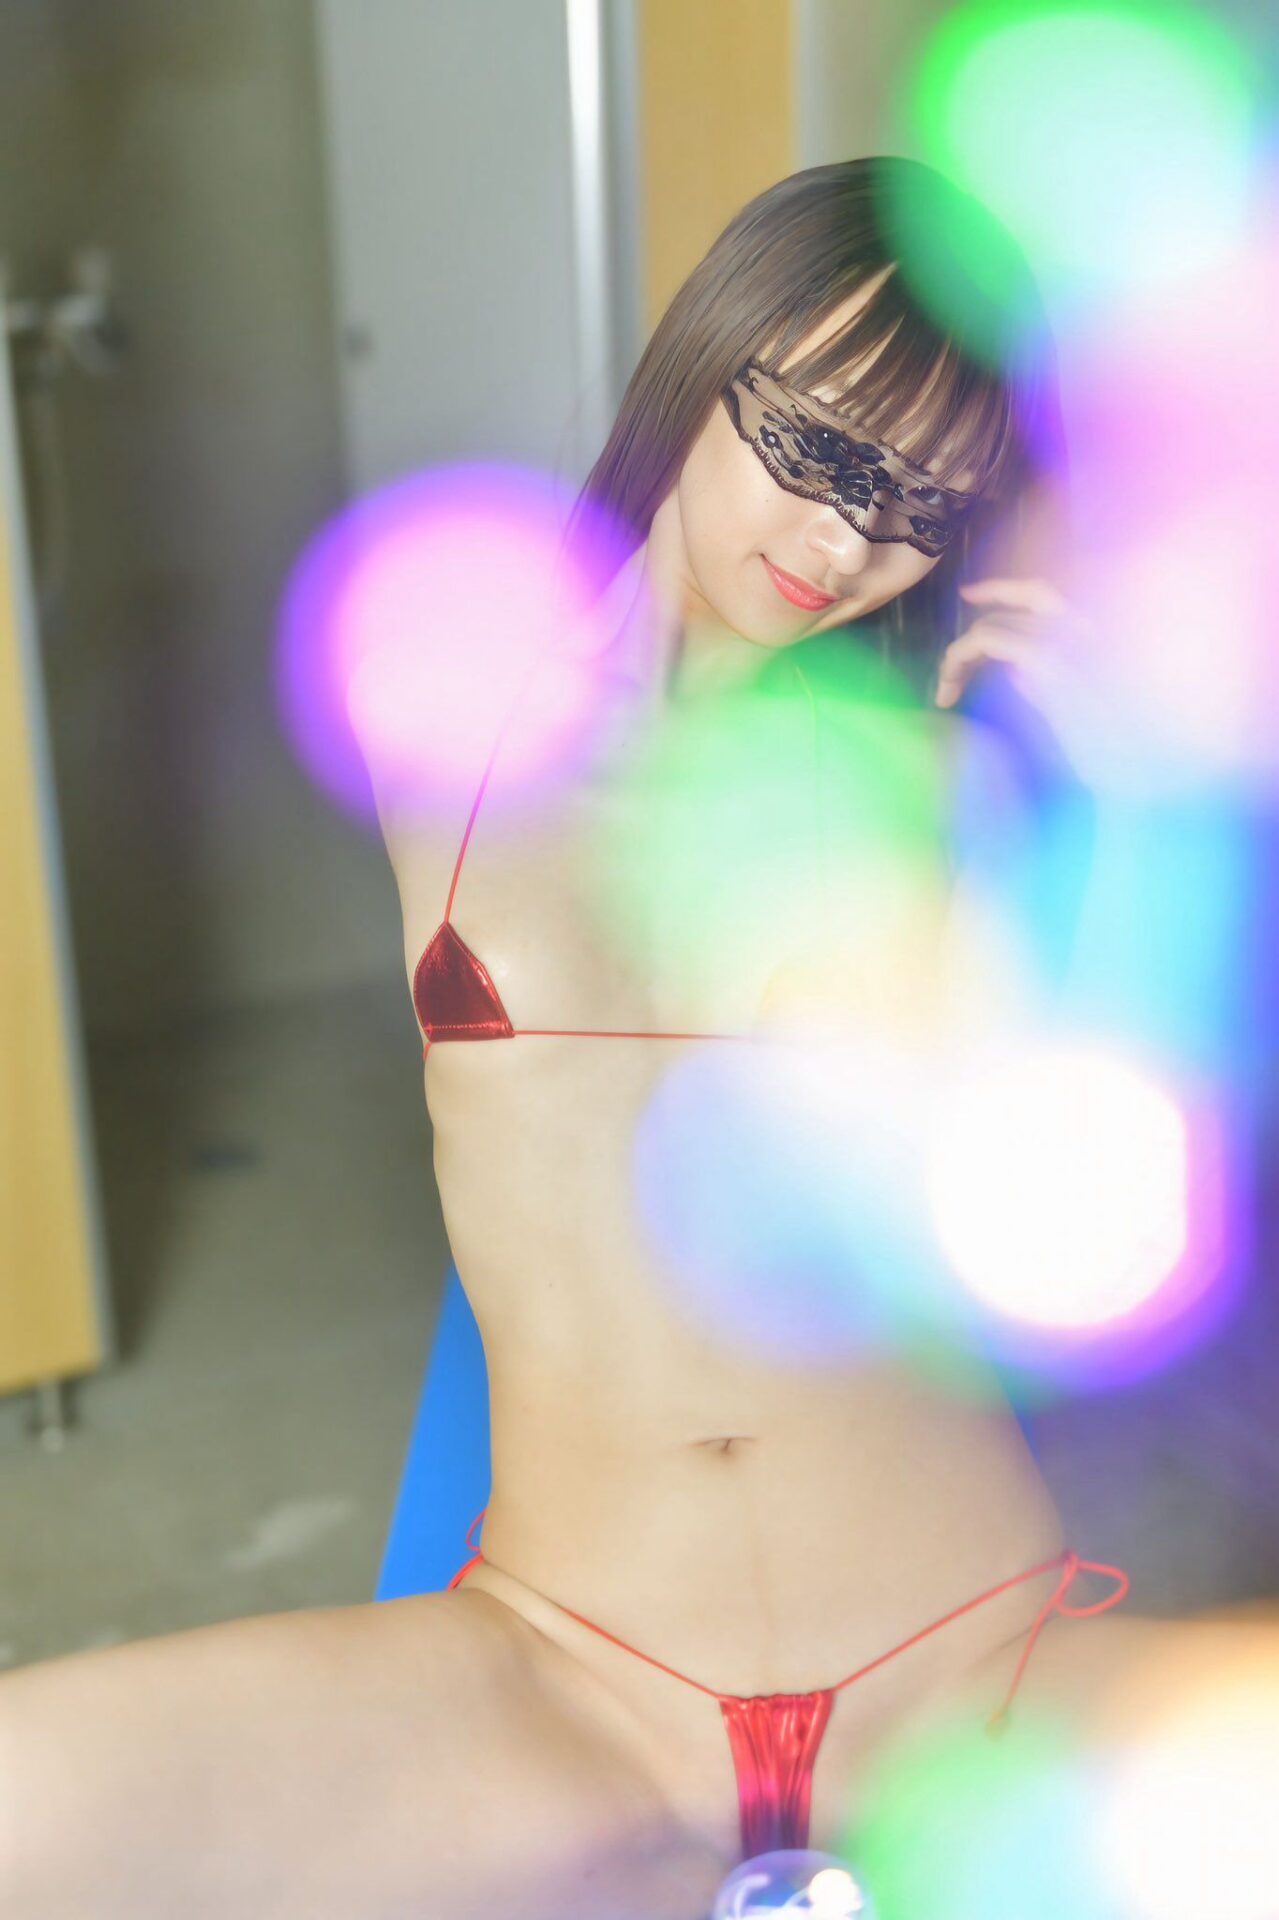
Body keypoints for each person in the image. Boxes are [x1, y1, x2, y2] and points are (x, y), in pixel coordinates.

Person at [0, 157, 1220, 1920]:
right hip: (574, 1671)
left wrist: (1130, 801)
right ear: (705, 358)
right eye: (814, 448)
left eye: (914, 505)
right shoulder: (456, 710)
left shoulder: (958, 780)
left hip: (975, 1650)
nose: (842, 544)